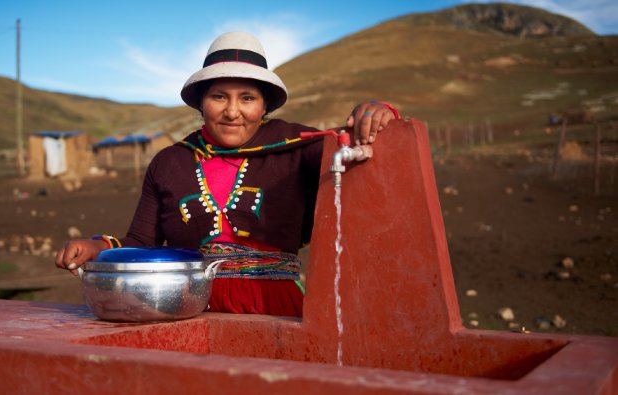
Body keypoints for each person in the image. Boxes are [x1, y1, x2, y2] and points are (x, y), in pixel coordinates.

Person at [55, 32, 399, 317]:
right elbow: (141, 244)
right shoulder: (169, 162)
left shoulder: (298, 147)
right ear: (200, 104)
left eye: (247, 98)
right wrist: (98, 246)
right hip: (185, 310)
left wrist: (378, 113)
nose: (233, 112)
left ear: (264, 107)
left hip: (276, 309)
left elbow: (357, 149)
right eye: (219, 97)